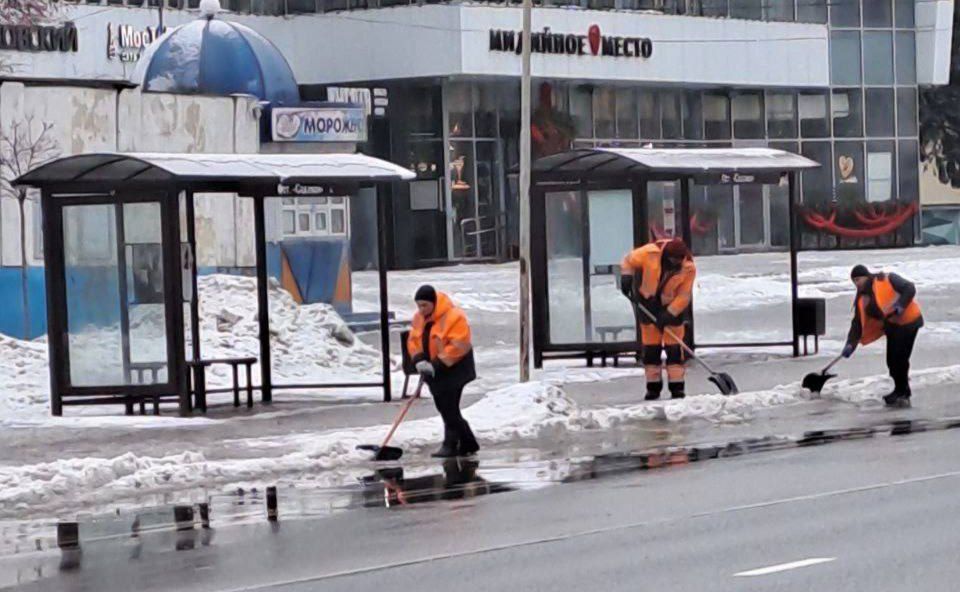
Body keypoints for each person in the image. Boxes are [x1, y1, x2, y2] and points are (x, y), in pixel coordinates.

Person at [407, 285, 480, 458]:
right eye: (419, 305)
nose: (421, 309)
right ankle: (467, 442)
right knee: (443, 406)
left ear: (434, 302)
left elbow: (459, 345)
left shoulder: (454, 317)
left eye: (425, 305)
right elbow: (414, 340)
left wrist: (436, 364)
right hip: (434, 370)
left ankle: (452, 444)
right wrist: (419, 360)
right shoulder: (419, 318)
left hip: (456, 368)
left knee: (449, 407)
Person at [620, 238, 696, 400]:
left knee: (674, 350)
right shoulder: (650, 253)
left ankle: (677, 387)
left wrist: (669, 313)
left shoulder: (688, 268)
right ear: (667, 256)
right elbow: (628, 260)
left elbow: (684, 295)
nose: (676, 263)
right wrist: (626, 277)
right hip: (648, 304)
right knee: (651, 349)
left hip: (673, 309)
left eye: (678, 260)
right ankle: (653, 387)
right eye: (673, 260)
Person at [842, 265, 923, 408]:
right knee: (891, 361)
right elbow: (857, 324)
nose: (857, 283)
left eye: (858, 279)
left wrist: (901, 305)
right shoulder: (863, 299)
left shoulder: (887, 279)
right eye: (854, 281)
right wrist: (850, 344)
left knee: (900, 359)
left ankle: (902, 393)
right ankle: (901, 390)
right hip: (893, 326)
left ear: (867, 276)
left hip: (909, 321)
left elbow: (909, 288)